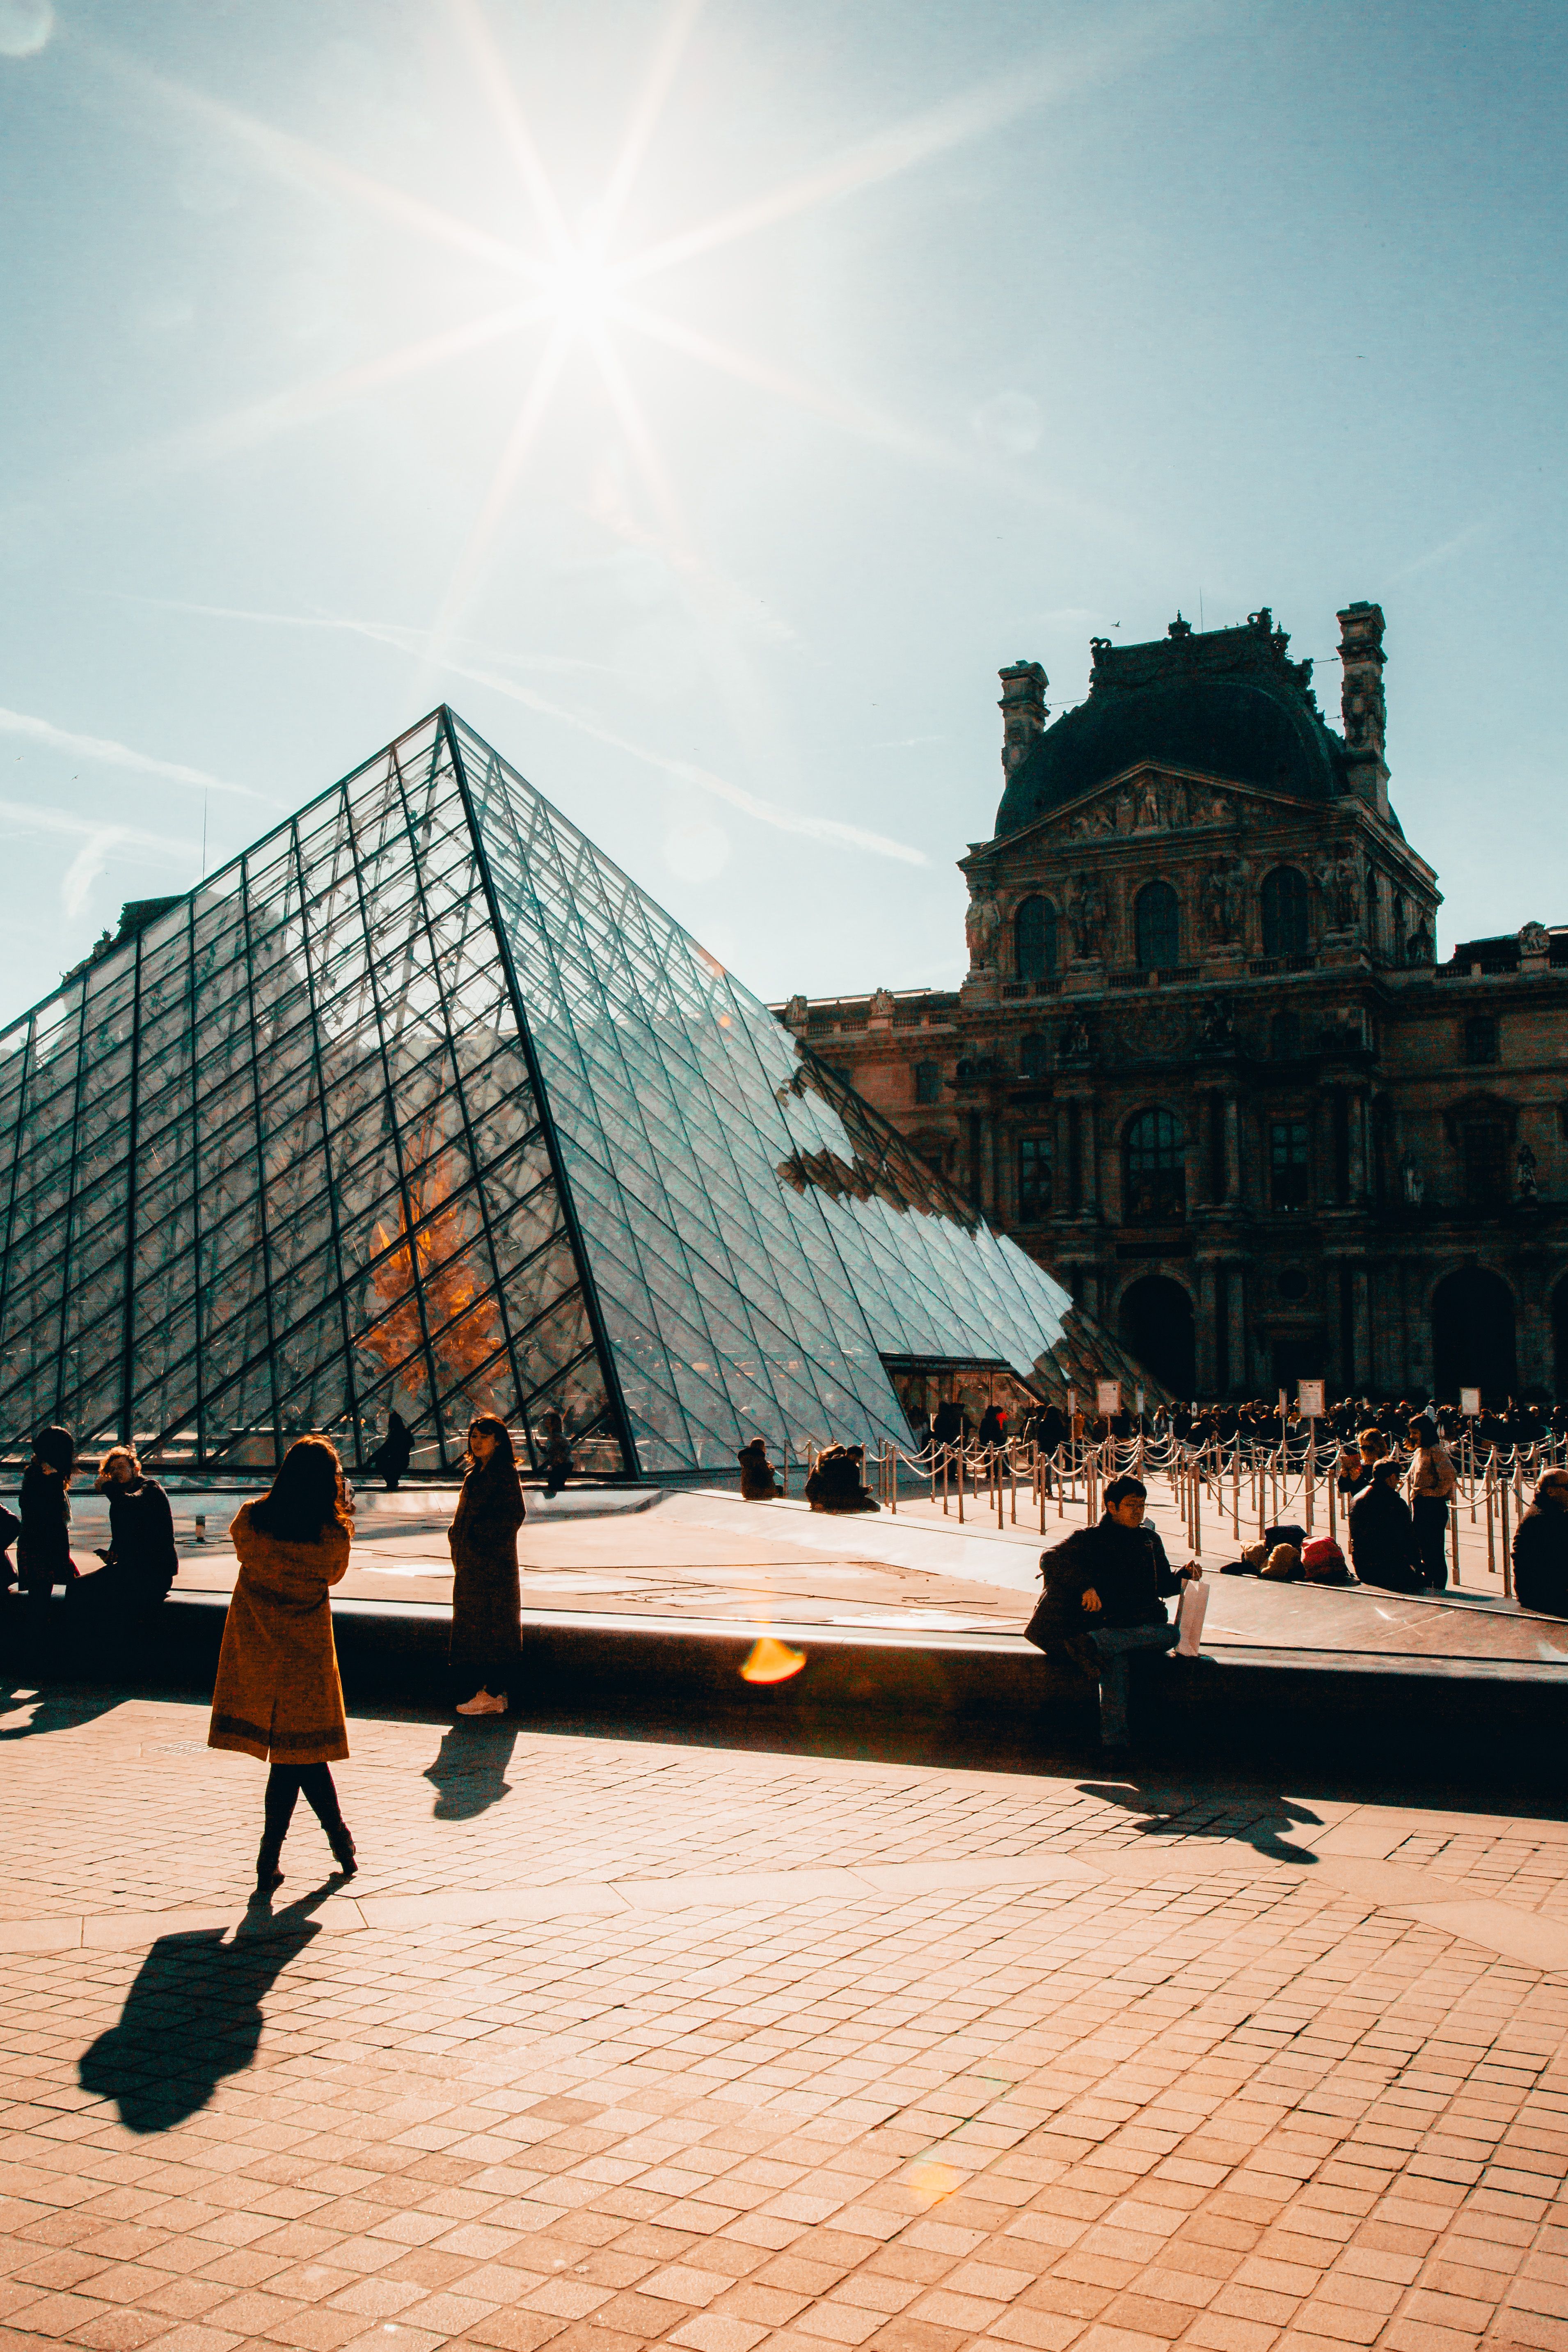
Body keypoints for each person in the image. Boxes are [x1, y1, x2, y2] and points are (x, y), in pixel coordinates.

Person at [208, 1437, 357, 1895]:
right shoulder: (332, 1535)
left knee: (297, 1758)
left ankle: (304, 1853)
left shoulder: (251, 1520)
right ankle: (318, 1848)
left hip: (258, 1652)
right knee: (301, 1755)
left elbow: (240, 1547)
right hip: (306, 1658)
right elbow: (334, 1573)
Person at [1028, 1474, 1202, 1750]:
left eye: (1142, 1505)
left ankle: (1093, 1644)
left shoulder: (1149, 1540)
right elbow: (1050, 1557)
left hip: (1133, 1628)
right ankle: (1115, 1747)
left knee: (1169, 1634)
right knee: (1116, 1667)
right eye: (1132, 1505)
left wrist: (1183, 1575)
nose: (1138, 1512)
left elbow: (1163, 1586)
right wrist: (1084, 1586)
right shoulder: (1089, 1538)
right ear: (1111, 1506)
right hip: (1105, 1622)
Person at [449, 1415, 526, 1715]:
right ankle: (486, 1691)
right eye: (473, 1436)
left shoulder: (504, 1473)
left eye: (483, 1436)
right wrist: (456, 1537)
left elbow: (513, 1516)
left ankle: (494, 1692)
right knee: (477, 1627)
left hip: (493, 1568)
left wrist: (479, 1541)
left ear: (498, 1439)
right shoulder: (474, 1474)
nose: (477, 1442)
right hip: (472, 1566)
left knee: (494, 1627)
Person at [73, 1448, 178, 1645]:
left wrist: (107, 1488)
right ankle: (85, 1646)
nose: (116, 1472)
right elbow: (127, 1534)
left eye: (121, 1466)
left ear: (135, 1469)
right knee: (79, 1587)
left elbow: (132, 1505)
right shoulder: (121, 1498)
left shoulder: (151, 1489)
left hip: (155, 1574)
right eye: (112, 1470)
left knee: (88, 1591)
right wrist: (113, 1553)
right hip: (133, 1570)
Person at [17, 1425, 78, 1657]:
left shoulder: (37, 1473)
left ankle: (34, 1655)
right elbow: (50, 1519)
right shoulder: (46, 1478)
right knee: (42, 1605)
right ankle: (39, 1655)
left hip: (35, 1547)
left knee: (39, 1604)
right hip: (45, 1549)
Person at [1348, 1457, 1422, 1593]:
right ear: (1392, 1477)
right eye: (1398, 1477)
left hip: (1363, 1566)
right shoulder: (1393, 1501)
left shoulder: (1358, 1497)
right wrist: (1417, 1565)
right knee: (1423, 1582)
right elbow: (1407, 1537)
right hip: (1388, 1567)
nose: (1399, 1481)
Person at [1406, 1413, 1457, 1590]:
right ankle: (1430, 1584)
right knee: (1424, 1551)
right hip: (1421, 1506)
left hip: (1432, 1508)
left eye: (1415, 1433)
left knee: (1434, 1552)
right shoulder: (1420, 1450)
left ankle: (1439, 1588)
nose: (1412, 1436)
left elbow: (1450, 1474)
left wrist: (1436, 1492)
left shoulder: (1435, 1450)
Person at [1513, 1470, 1568, 1616]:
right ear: (1551, 1491)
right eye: (1567, 1487)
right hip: (1541, 1594)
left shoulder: (1551, 1511)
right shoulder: (1543, 1519)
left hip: (1544, 1587)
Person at [804, 1444, 879, 1513]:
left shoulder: (826, 1463)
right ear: (853, 1456)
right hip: (841, 1502)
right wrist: (867, 1490)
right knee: (876, 1506)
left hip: (824, 1500)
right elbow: (852, 1491)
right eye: (858, 1460)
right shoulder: (853, 1469)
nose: (858, 1463)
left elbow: (810, 1485)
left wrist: (815, 1501)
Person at [368, 1408, 412, 1492]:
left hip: (396, 1460)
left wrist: (371, 1459)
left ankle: (392, 1483)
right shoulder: (405, 1432)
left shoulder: (396, 1434)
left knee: (380, 1463)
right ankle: (393, 1482)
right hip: (404, 1460)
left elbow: (385, 1449)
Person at [537, 1409, 575, 1500]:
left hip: (561, 1466)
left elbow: (557, 1450)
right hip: (562, 1466)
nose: (545, 1422)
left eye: (548, 1421)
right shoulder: (556, 1436)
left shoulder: (556, 1437)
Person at [737, 1437, 781, 1501]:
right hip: (759, 1492)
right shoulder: (759, 1458)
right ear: (762, 1447)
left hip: (746, 1492)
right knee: (780, 1489)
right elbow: (767, 1474)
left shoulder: (745, 1459)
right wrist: (771, 1467)